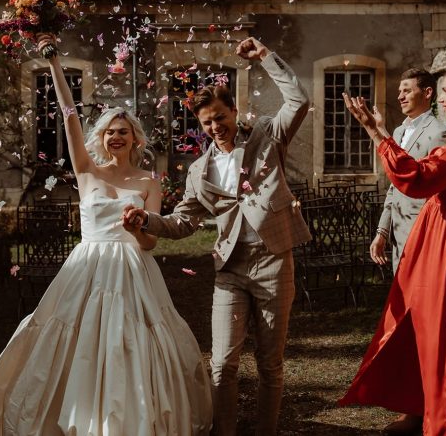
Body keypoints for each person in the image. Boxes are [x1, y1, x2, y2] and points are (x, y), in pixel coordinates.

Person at [0, 34, 212, 436]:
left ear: (135, 138)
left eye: (122, 132)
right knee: (74, 341)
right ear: (101, 138)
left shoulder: (148, 182)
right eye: (108, 132)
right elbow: (70, 115)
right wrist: (53, 64)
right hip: (86, 267)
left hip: (133, 270)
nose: (115, 137)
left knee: (129, 344)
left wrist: (139, 226)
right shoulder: (87, 171)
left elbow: (151, 241)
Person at [123, 36, 311, 436]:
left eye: (220, 118)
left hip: (275, 260)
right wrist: (146, 220)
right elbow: (182, 223)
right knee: (223, 362)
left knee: (269, 362)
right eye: (207, 122)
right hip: (230, 269)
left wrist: (264, 57)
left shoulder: (266, 137)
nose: (215, 127)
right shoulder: (198, 172)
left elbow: (299, 101)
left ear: (234, 111)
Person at [338, 61, 446, 435]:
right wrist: (380, 131)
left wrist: (374, 130)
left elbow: (419, 177)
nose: (442, 99)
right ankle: (423, 410)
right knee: (426, 332)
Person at [372, 68, 446, 275]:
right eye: (399, 91)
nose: (400, 96)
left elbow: (437, 190)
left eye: (406, 90)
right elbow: (394, 184)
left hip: (422, 233)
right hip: (397, 233)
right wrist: (382, 231)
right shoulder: (398, 131)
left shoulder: (439, 133)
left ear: (427, 93)